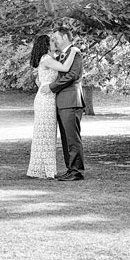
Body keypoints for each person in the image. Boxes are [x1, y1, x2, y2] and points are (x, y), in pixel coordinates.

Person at [27, 33, 80, 179]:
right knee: (45, 133)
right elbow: (64, 67)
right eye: (51, 41)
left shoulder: (48, 58)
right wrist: (74, 51)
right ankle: (44, 169)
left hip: (48, 97)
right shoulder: (46, 58)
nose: (54, 42)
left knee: (47, 134)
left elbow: (42, 77)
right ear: (45, 45)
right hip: (46, 98)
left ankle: (43, 168)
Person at [49, 28, 85, 181]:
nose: (54, 40)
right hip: (62, 102)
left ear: (64, 37)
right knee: (65, 139)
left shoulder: (75, 53)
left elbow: (72, 75)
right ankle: (70, 169)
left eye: (56, 37)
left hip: (71, 101)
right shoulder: (61, 55)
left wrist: (52, 87)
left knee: (72, 138)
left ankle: (77, 172)